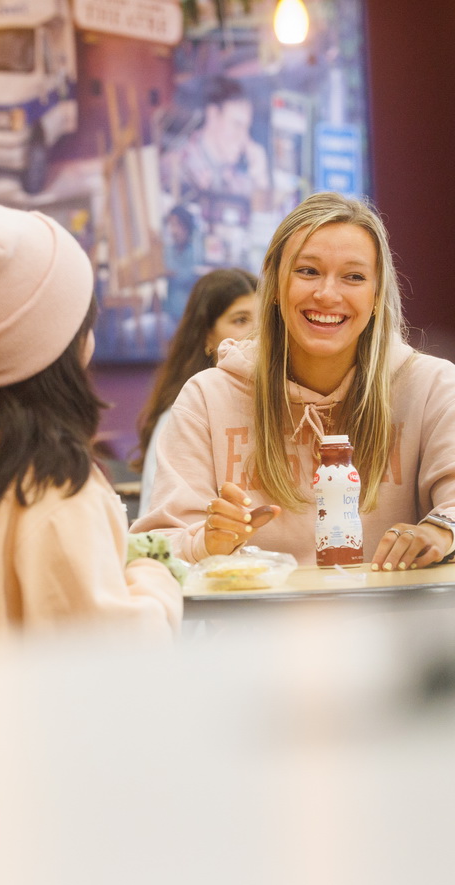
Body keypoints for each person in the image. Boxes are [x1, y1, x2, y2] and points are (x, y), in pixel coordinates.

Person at [0, 198, 182, 646]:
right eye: (86, 321)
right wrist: (152, 578)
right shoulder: (54, 490)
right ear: (65, 345)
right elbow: (118, 667)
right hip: (14, 717)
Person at [131, 191, 455, 571]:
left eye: (353, 276)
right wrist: (206, 542)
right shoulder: (206, 397)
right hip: (259, 630)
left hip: (397, 628)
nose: (327, 294)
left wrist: (441, 530)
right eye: (308, 271)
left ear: (377, 293)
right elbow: (154, 549)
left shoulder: (431, 386)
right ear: (273, 283)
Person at [132, 267, 258, 517]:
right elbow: (162, 525)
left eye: (268, 319)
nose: (258, 331)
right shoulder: (186, 413)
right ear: (207, 336)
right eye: (240, 320)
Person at [162, 76, 270, 206]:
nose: (244, 138)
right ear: (213, 115)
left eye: (247, 128)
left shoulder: (235, 178)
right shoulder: (175, 167)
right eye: (237, 124)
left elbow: (262, 217)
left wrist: (260, 177)